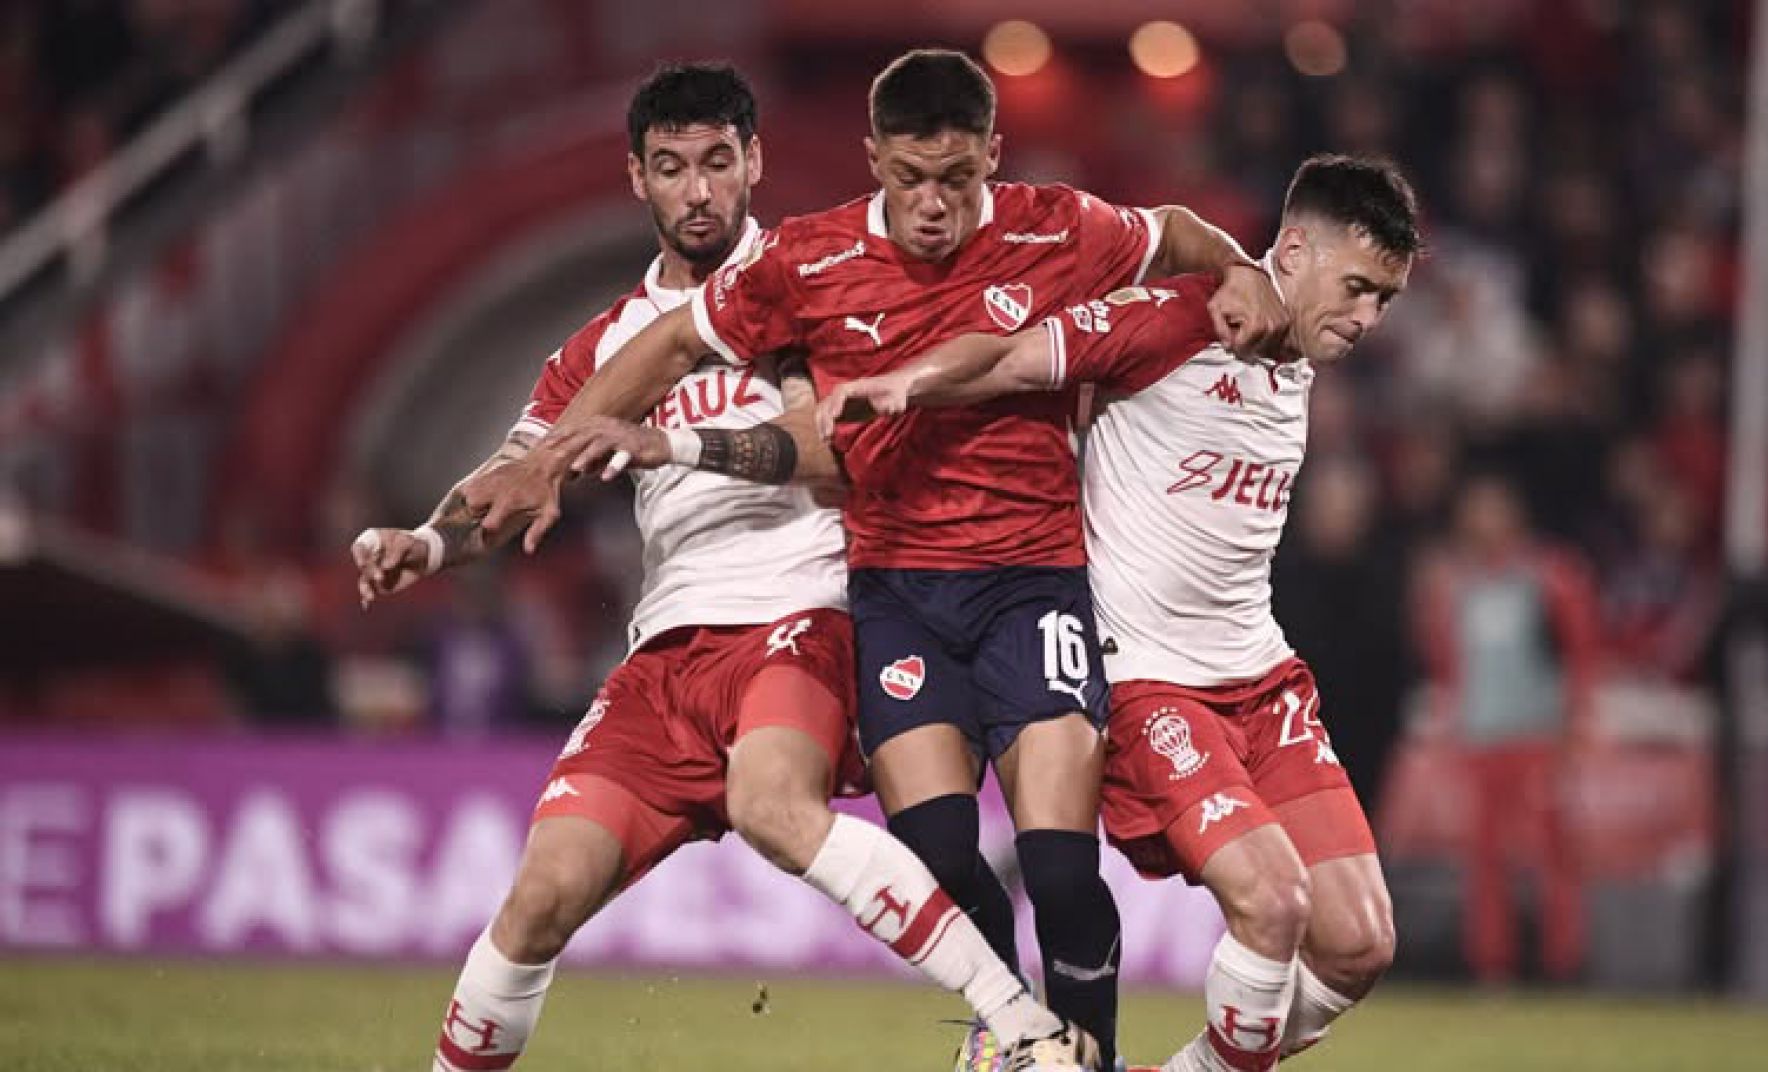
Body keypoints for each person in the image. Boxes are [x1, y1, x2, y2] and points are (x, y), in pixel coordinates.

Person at [461, 49, 1285, 1071]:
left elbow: (1172, 235)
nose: (932, 205)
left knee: (1061, 869)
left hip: (1033, 585)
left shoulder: (1057, 225)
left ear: (993, 154)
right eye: (907, 179)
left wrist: (1241, 267)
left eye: (955, 179)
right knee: (941, 856)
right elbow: (673, 344)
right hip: (896, 599)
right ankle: (1016, 1030)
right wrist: (547, 457)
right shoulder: (808, 261)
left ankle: (1087, 1060)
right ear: (872, 160)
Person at [351, 64, 1090, 1072]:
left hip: (803, 616)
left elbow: (841, 446)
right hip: (665, 654)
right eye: (670, 168)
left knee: (770, 802)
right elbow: (520, 472)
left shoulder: (812, 280)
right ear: (636, 179)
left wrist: (677, 446)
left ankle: (1021, 1025)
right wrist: (428, 541)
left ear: (753, 163)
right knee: (536, 901)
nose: (696, 190)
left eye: (714, 163)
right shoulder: (607, 346)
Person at [801, 154, 1422, 1070]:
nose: (1368, 318)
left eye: (1386, 301)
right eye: (1359, 287)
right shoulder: (1180, 319)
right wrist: (910, 381)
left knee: (1360, 943)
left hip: (1263, 677)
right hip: (1152, 684)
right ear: (1292, 251)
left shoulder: (1294, 358)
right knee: (1275, 904)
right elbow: (1014, 353)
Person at [1415, 474, 1598, 986]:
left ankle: (1563, 966)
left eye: (1492, 509)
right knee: (1485, 860)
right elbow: (1448, 662)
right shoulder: (1459, 588)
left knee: (1551, 856)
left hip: (1537, 737)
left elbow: (1580, 654)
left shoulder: (1549, 577)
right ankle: (1493, 967)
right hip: (1481, 741)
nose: (1482, 522)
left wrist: (1574, 726)